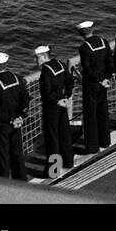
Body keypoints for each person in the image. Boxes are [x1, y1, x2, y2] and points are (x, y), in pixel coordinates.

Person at [0, 52, 28, 181]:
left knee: (2, 155)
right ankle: (21, 179)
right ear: (6, 64)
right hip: (17, 121)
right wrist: (20, 116)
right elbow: (25, 99)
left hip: (3, 124)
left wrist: (9, 120)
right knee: (17, 153)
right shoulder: (17, 79)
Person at [35, 45, 74, 177]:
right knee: (64, 134)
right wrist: (67, 97)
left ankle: (54, 170)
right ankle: (69, 162)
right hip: (63, 104)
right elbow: (70, 81)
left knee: (52, 139)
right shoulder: (60, 64)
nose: (35, 60)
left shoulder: (46, 71)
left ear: (44, 56)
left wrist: (56, 100)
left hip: (52, 108)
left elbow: (46, 92)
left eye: (37, 57)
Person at [76, 20, 112, 153]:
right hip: (104, 83)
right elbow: (110, 61)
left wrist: (98, 79)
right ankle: (105, 140)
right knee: (103, 110)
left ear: (81, 33)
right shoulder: (104, 42)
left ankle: (92, 146)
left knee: (90, 114)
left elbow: (87, 68)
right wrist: (106, 78)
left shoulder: (84, 48)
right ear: (92, 29)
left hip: (91, 84)